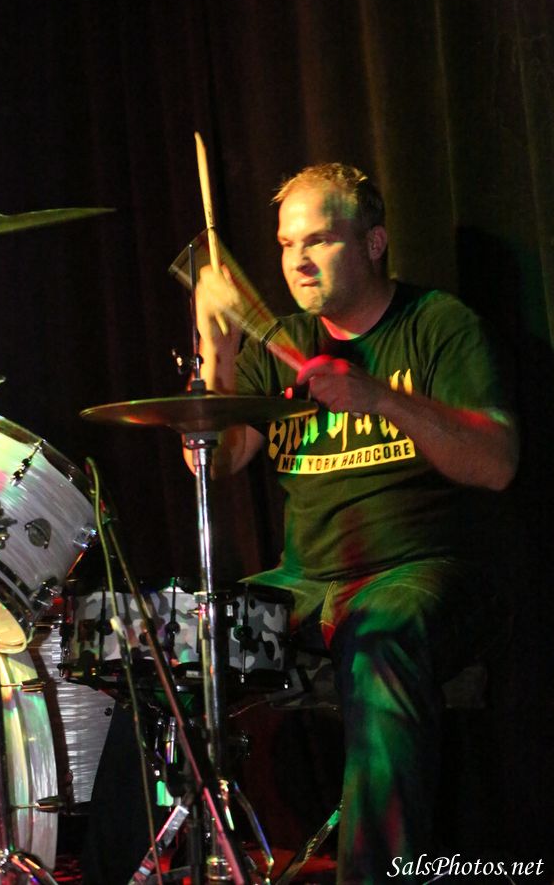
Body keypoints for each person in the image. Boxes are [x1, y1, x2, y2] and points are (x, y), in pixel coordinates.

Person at [192, 163, 518, 884]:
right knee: (176, 643)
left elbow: (497, 463)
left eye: (319, 240)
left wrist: (381, 398)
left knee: (380, 632)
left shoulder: (437, 324)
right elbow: (215, 463)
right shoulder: (279, 341)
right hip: (306, 581)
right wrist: (218, 350)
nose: (298, 261)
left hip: (421, 572)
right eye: (286, 244)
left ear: (374, 243)